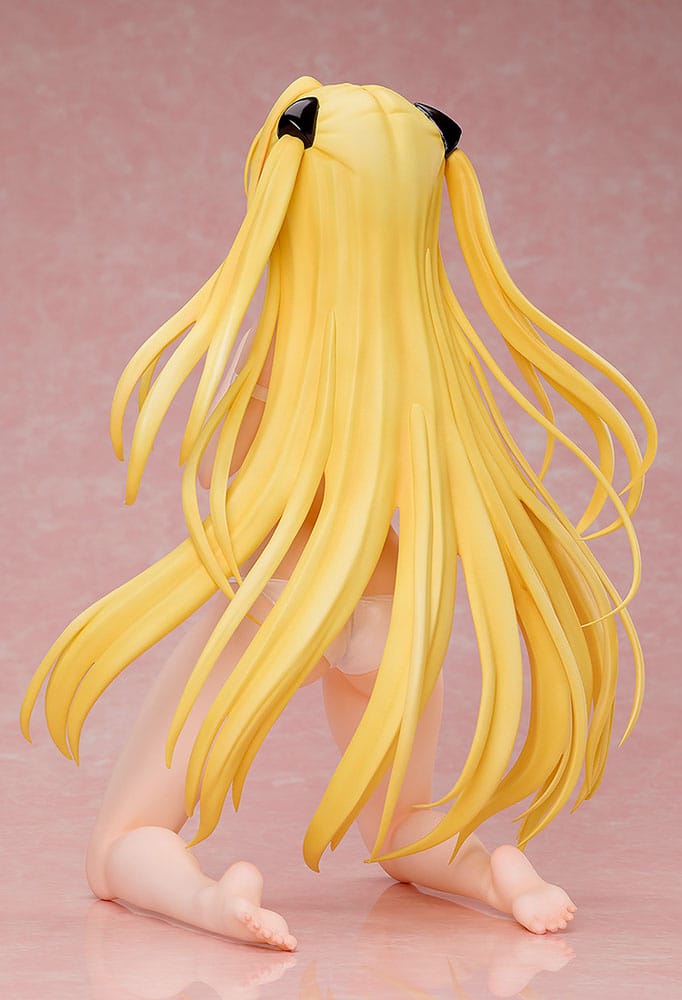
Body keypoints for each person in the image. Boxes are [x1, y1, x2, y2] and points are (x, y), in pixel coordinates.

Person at [22, 78, 656, 951]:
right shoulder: (430, 363)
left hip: (283, 597)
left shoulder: (280, 351)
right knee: (403, 828)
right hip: (395, 607)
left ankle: (211, 902)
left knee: (120, 844)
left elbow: (236, 479)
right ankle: (499, 875)